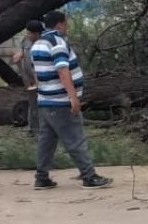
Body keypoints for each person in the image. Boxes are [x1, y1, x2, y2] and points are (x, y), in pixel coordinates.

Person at [30, 10, 112, 190]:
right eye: (65, 23)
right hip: (60, 102)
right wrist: (73, 97)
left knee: (47, 141)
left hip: (45, 101)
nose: (66, 27)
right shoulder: (57, 42)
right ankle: (89, 176)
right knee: (75, 138)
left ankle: (41, 177)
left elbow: (37, 73)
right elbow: (62, 70)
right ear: (59, 24)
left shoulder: (37, 44)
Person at [12, 19, 44, 136]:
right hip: (29, 79)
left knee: (43, 103)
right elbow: (20, 48)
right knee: (32, 103)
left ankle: (45, 130)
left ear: (37, 33)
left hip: (41, 78)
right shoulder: (26, 40)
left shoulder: (44, 43)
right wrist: (19, 52)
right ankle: (32, 129)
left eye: (30, 33)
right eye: (27, 32)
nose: (28, 35)